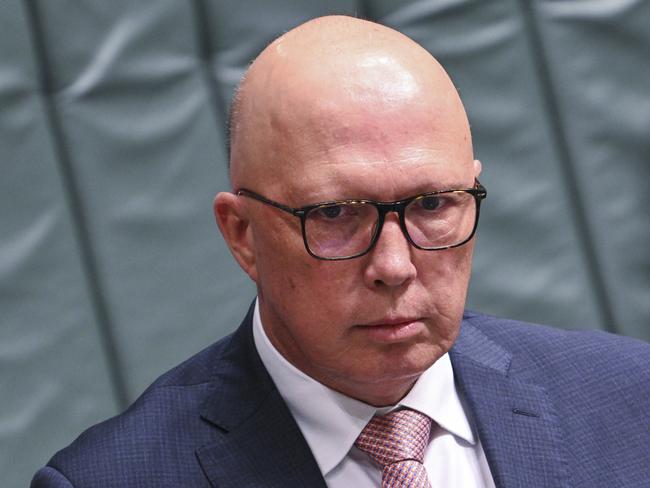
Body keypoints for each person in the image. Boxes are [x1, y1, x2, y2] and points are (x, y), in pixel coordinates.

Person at [32, 15, 649, 488]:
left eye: (432, 205)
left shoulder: (631, 400)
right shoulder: (113, 478)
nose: (394, 266)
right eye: (334, 215)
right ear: (242, 234)